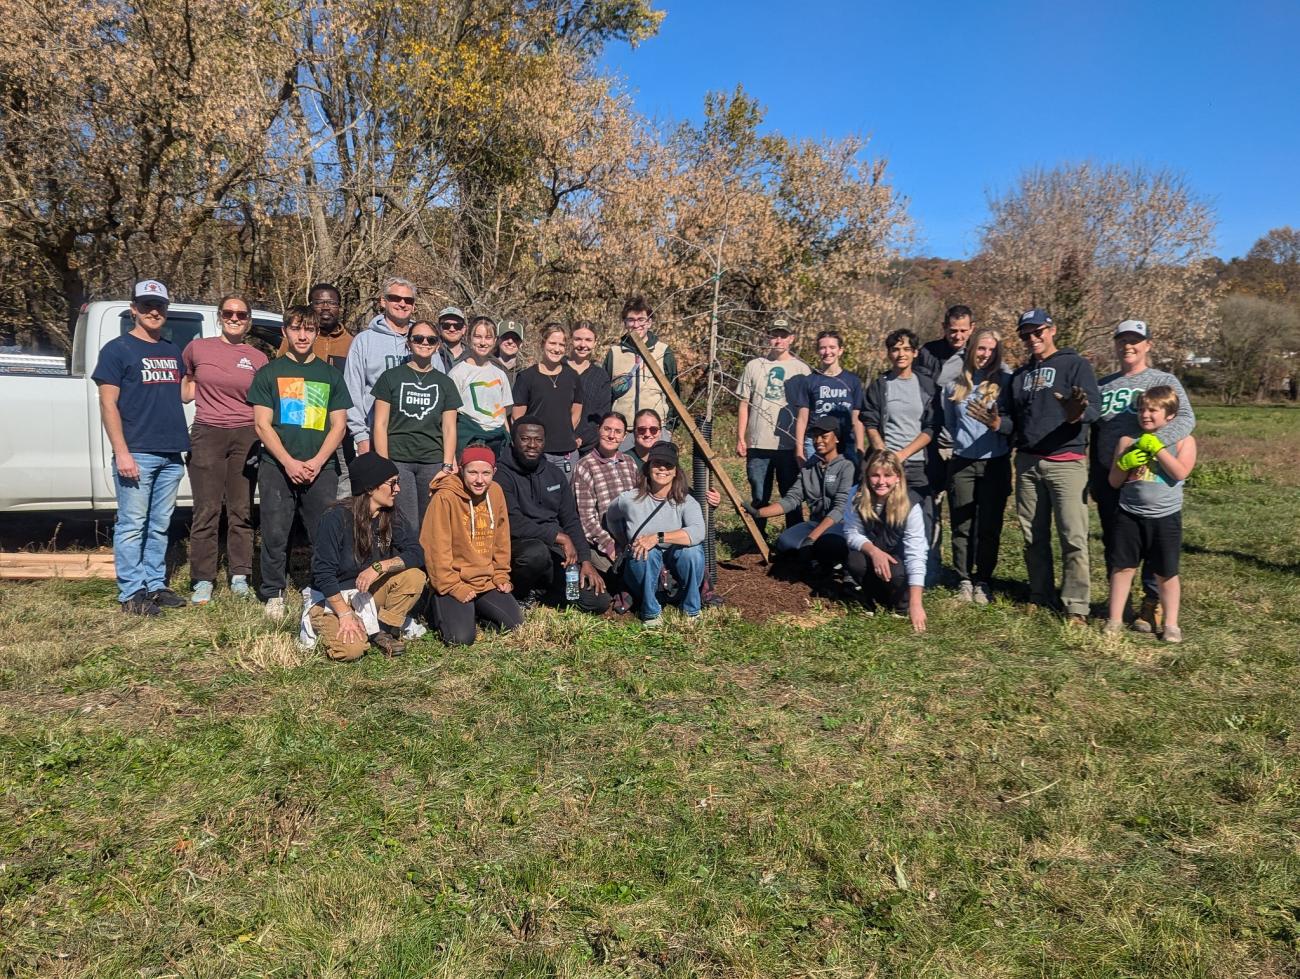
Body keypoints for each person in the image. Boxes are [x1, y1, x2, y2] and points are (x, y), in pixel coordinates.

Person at [248, 306, 352, 619]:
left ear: (316, 333)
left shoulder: (330, 375)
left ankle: (322, 587)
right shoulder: (269, 372)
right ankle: (273, 593)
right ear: (285, 332)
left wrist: (318, 461)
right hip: (277, 466)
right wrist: (289, 462)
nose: (302, 335)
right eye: (296, 329)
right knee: (275, 531)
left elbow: (339, 425)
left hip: (321, 468)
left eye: (308, 329)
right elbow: (262, 425)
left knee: (323, 532)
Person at [92, 279, 189, 615]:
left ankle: (155, 585)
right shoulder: (117, 350)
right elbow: (108, 405)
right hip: (137, 453)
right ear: (133, 309)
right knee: (133, 525)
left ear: (166, 310)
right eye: (146, 305)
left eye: (159, 305)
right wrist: (122, 452)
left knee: (160, 524)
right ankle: (131, 594)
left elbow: (183, 393)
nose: (153, 311)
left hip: (172, 453)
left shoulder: (173, 351)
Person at [1093, 319, 1196, 634]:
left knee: (1155, 544)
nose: (1128, 345)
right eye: (1122, 340)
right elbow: (1092, 426)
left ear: (1148, 344)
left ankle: (1151, 604)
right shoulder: (1103, 384)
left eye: (1135, 340)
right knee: (1119, 544)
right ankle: (1118, 609)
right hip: (1113, 473)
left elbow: (1186, 417)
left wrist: (1155, 447)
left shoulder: (1164, 380)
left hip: (1154, 475)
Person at [1004, 308, 1101, 623]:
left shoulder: (1075, 364)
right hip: (1029, 462)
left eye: (1038, 332)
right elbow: (1012, 421)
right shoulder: (1019, 376)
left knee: (1073, 535)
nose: (1032, 339)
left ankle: (1076, 605)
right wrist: (997, 423)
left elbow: (1095, 408)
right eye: (1026, 335)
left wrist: (1077, 413)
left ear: (1052, 330)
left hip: (1066, 462)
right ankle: (1040, 594)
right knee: (1033, 536)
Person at [181, 293, 268, 604]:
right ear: (219, 316)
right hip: (208, 432)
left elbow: (263, 401)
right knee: (206, 509)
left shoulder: (258, 358)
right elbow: (187, 385)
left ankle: (240, 574)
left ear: (249, 321)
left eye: (241, 314)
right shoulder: (197, 348)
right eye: (229, 313)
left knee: (241, 509)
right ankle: (203, 579)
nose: (235, 318)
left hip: (245, 435)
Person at [306, 452, 428, 661]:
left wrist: (380, 566)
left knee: (414, 577)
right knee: (351, 651)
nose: (397, 488)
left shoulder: (389, 516)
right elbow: (323, 573)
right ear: (370, 488)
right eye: (392, 483)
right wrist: (344, 614)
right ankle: (347, 627)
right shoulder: (335, 518)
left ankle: (384, 629)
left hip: (366, 594)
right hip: (333, 599)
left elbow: (416, 553)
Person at [1105, 386, 1197, 643]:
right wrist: (1124, 463)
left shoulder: (1184, 441)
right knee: (1123, 567)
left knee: (1166, 572)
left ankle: (1171, 624)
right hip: (1129, 515)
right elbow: (1114, 481)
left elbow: (1180, 472)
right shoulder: (1126, 441)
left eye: (1153, 410)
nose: (1145, 414)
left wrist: (1158, 450)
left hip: (1165, 517)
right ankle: (1114, 620)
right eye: (1142, 409)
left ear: (1170, 415)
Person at [494, 417, 610, 614]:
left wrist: (585, 561)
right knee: (535, 553)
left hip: (555, 551)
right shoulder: (501, 476)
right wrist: (559, 537)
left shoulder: (554, 474)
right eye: (525, 439)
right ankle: (519, 594)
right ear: (513, 441)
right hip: (519, 549)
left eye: (538, 440)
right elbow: (512, 522)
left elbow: (571, 520)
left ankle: (542, 594)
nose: (532, 445)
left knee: (597, 602)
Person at [420, 444, 524, 645]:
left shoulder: (495, 492)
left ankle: (475, 611)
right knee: (460, 640)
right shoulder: (445, 497)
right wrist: (452, 585)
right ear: (461, 469)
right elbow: (435, 548)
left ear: (494, 471)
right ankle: (435, 607)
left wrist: (501, 574)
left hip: (486, 579)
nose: (479, 480)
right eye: (472, 472)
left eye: (486, 473)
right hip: (454, 580)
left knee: (514, 626)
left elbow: (502, 538)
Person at [944, 328, 1014, 604]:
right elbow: (950, 422)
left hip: (995, 462)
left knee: (989, 525)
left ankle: (983, 578)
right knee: (962, 523)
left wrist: (997, 424)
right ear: (971, 349)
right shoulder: (954, 385)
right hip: (963, 461)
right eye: (981, 349)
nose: (985, 354)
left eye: (991, 350)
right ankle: (963, 578)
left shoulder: (1006, 383)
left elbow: (1014, 424)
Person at [371, 320, 462, 531]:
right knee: (405, 523)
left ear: (438, 344)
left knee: (432, 523)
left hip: (432, 462)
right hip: (398, 460)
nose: (424, 343)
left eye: (431, 339)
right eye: (418, 338)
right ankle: (405, 563)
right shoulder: (390, 378)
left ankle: (428, 564)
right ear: (408, 343)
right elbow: (380, 424)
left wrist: (447, 465)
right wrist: (385, 467)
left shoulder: (445, 383)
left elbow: (449, 428)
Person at [609, 443, 707, 627]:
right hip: (642, 566)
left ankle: (691, 608)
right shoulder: (629, 499)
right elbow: (611, 517)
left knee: (693, 551)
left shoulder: (687, 501)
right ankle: (650, 611)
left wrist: (657, 537)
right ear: (648, 468)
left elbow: (698, 531)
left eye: (668, 465)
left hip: (674, 568)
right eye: (657, 463)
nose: (663, 468)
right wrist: (622, 542)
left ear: (676, 471)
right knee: (646, 552)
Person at [736, 318, 811, 533]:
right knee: (760, 496)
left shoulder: (801, 370)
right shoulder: (754, 365)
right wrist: (741, 438)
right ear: (768, 337)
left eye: (783, 335)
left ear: (791, 339)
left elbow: (807, 411)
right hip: (759, 444)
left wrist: (802, 444)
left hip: (789, 446)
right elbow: (744, 404)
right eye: (774, 335)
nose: (778, 340)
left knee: (792, 496)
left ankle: (794, 542)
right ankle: (756, 542)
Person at [841, 450, 928, 633]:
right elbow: (851, 532)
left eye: (887, 475)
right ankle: (871, 598)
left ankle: (902, 605)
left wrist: (916, 603)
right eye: (875, 475)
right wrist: (874, 552)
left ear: (897, 477)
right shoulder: (856, 495)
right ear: (867, 475)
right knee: (855, 561)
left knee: (897, 572)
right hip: (874, 552)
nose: (881, 482)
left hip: (899, 560)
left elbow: (917, 552)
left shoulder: (911, 504)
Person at [745, 417, 854, 562]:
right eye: (815, 436)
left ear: (837, 438)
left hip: (840, 525)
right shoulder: (809, 468)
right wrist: (759, 513)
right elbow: (792, 499)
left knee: (828, 544)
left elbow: (840, 509)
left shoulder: (847, 466)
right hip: (815, 523)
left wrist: (811, 538)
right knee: (784, 541)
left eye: (824, 436)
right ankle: (814, 556)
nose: (818, 440)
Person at [861, 328, 942, 518]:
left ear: (915, 353)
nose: (901, 354)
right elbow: (870, 422)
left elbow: (932, 427)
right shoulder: (880, 385)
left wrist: (903, 454)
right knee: (886, 520)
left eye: (906, 349)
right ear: (889, 353)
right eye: (896, 349)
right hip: (886, 465)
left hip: (918, 465)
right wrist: (884, 453)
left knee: (923, 518)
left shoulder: (928, 386)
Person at [573, 412, 641, 608]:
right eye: (607, 429)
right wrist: (610, 546)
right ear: (598, 431)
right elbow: (587, 520)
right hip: (601, 543)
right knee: (618, 572)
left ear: (624, 437)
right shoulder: (585, 466)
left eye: (617, 432)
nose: (612, 436)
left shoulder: (629, 464)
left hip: (632, 539)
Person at [344, 276, 416, 456]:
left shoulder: (425, 339)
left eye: (408, 300)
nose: (402, 303)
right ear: (383, 302)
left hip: (417, 441)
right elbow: (352, 390)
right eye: (395, 298)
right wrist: (361, 436)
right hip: (374, 436)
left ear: (414, 306)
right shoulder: (365, 340)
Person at [511, 322, 584, 476]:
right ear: (542, 343)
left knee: (565, 497)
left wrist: (564, 433)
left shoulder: (572, 376)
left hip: (566, 453)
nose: (556, 349)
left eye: (561, 345)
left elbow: (576, 410)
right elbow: (518, 417)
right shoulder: (527, 377)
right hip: (536, 453)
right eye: (552, 343)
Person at [603, 296, 679, 444]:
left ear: (649, 322)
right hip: (623, 431)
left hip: (655, 430)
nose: (636, 324)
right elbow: (605, 394)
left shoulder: (664, 352)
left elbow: (674, 393)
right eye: (631, 320)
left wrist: (669, 427)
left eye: (641, 319)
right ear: (625, 323)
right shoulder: (615, 353)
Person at [794, 329, 867, 465]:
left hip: (846, 442)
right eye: (823, 348)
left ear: (840, 350)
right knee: (815, 484)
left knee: (846, 484)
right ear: (817, 351)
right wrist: (799, 450)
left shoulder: (853, 381)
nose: (827, 352)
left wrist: (860, 447)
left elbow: (857, 420)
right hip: (816, 443)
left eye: (832, 347)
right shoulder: (809, 381)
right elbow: (802, 419)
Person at [449, 316, 514, 457]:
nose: (483, 342)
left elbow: (502, 413)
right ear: (468, 338)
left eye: (488, 337)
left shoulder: (500, 374)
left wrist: (507, 438)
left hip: (497, 438)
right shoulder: (458, 373)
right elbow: (451, 417)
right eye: (478, 337)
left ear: (495, 341)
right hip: (471, 439)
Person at [279, 282, 352, 370]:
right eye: (319, 303)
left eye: (332, 303)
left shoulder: (352, 343)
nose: (326, 307)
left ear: (339, 307)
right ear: (310, 306)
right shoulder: (296, 341)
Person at [569, 321, 612, 458]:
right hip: (556, 445)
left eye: (588, 340)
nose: (582, 345)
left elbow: (602, 414)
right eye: (578, 339)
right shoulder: (558, 369)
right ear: (570, 340)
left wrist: (581, 438)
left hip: (588, 448)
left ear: (595, 342)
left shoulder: (600, 376)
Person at [916, 304, 973, 390]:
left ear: (971, 328)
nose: (958, 336)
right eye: (953, 331)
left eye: (963, 331)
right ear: (944, 327)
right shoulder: (928, 352)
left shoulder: (977, 354)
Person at [431, 307, 470, 374]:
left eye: (457, 326)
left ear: (464, 329)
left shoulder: (473, 355)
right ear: (438, 328)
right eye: (446, 325)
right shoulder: (431, 352)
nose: (452, 329)